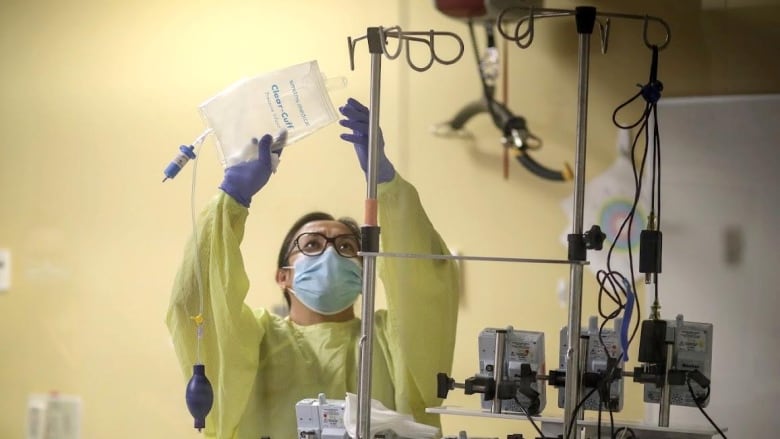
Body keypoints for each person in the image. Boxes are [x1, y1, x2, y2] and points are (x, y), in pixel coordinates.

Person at [166, 98, 460, 439]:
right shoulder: (257, 339)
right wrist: (230, 202)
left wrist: (387, 186)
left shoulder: (386, 339)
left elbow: (430, 284)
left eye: (347, 247)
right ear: (283, 276)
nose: (331, 255)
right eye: (311, 245)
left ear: (364, 273)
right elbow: (194, 303)